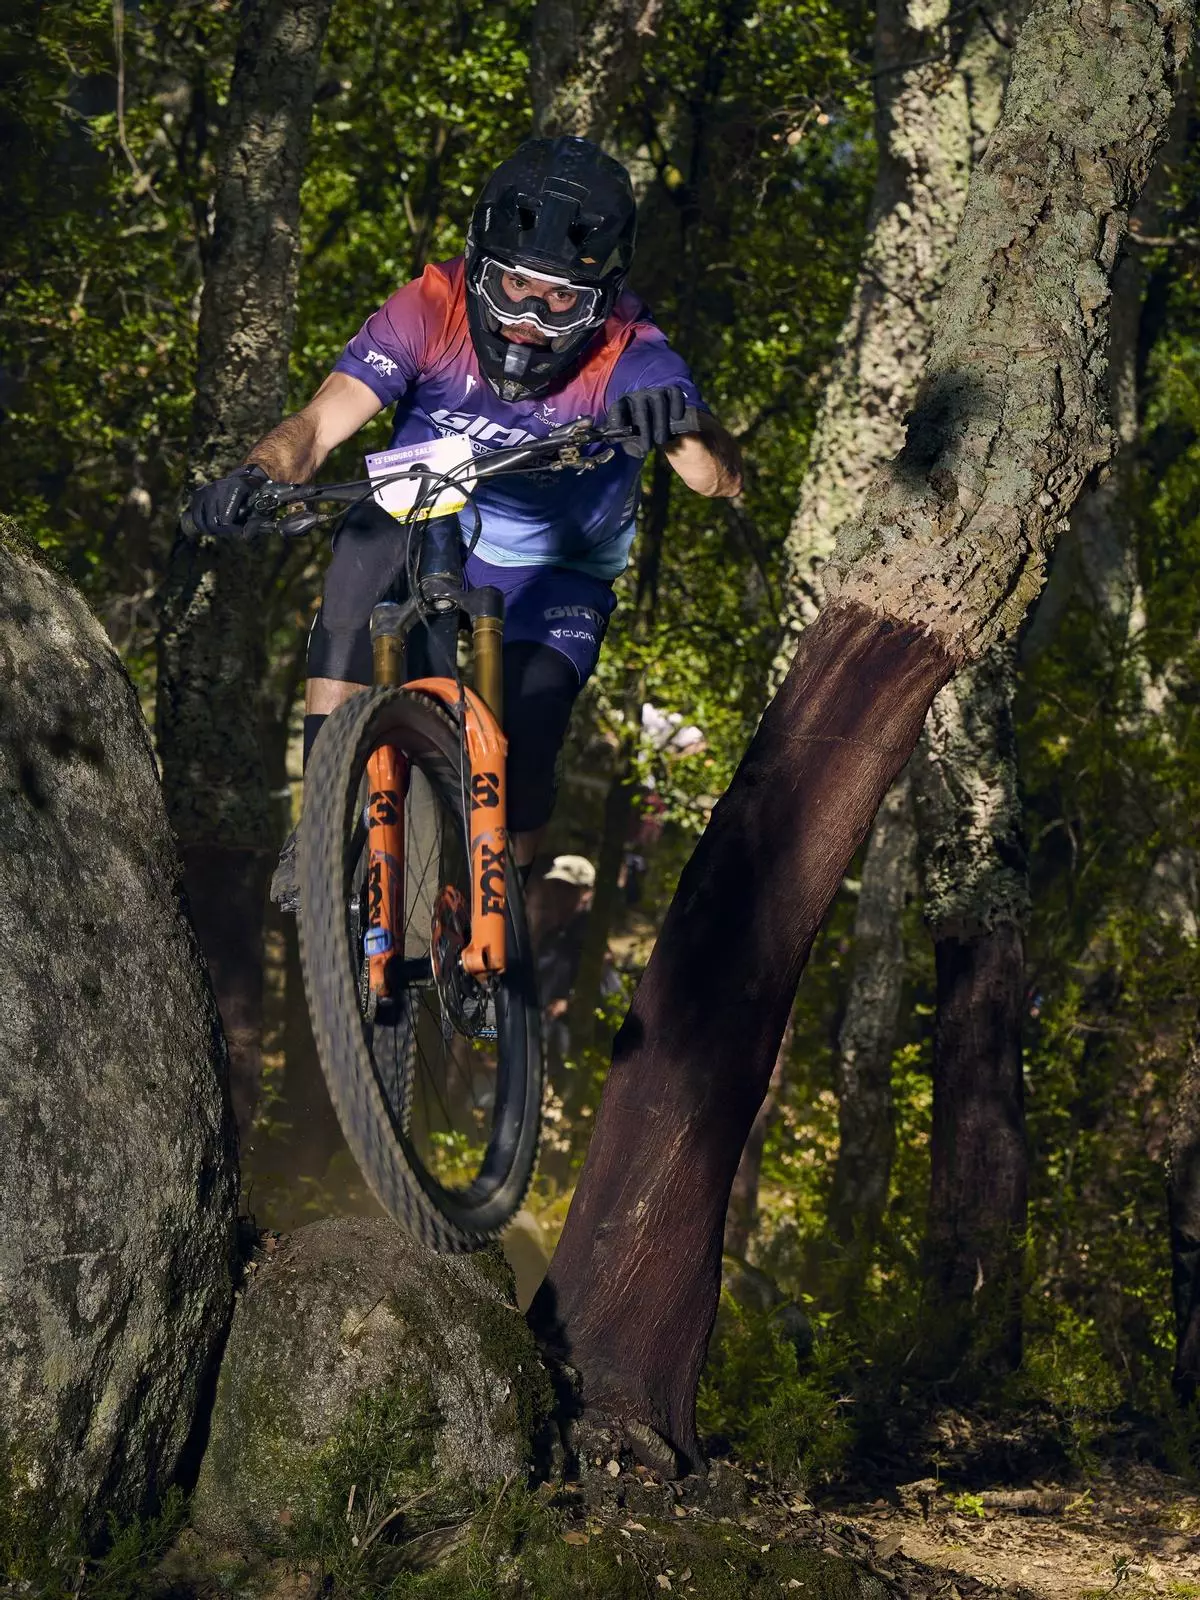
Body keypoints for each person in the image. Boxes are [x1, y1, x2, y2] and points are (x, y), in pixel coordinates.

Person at [188, 136, 743, 907]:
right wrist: (254, 476)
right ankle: (324, 820)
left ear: (603, 300)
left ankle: (504, 900)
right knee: (361, 557)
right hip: (429, 510)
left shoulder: (633, 351)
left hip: (557, 569)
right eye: (513, 284)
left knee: (534, 720)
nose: (527, 319)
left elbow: (718, 479)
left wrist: (678, 428)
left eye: (561, 302)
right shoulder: (429, 306)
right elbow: (317, 428)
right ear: (479, 266)